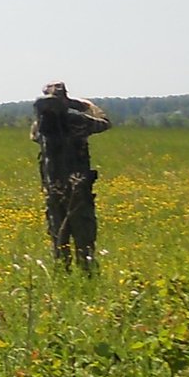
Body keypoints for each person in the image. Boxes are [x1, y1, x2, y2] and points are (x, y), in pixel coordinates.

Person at [29, 81, 110, 272]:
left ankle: (62, 275)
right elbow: (105, 123)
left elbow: (32, 135)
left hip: (53, 191)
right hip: (78, 190)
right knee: (85, 241)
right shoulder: (78, 122)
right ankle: (87, 274)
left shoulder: (41, 128)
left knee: (59, 240)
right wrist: (85, 105)